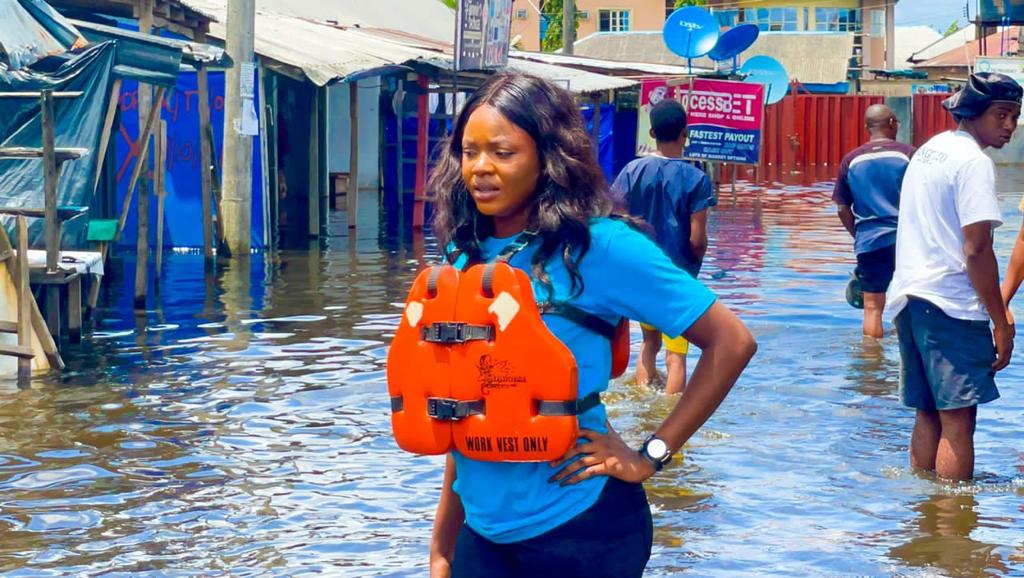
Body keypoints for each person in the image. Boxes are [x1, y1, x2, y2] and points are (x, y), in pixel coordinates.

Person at [423, 72, 756, 577]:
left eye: (503, 152)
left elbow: (731, 342)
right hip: (483, 535)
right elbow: (473, 407)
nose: (481, 169)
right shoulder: (463, 254)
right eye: (470, 152)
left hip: (583, 529)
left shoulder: (599, 247)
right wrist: (443, 547)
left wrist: (651, 454)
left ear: (547, 157)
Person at [886, 71, 1021, 481]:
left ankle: (925, 518)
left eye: (1015, 116)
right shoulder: (973, 162)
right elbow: (977, 249)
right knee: (959, 424)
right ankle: (952, 531)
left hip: (910, 297)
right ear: (973, 112)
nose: (1010, 126)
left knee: (929, 413)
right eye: (1001, 115)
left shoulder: (930, 151)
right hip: (950, 305)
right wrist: (1001, 320)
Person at [611, 99, 716, 394]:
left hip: (640, 275)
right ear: (686, 133)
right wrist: (693, 265)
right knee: (677, 356)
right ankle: (668, 418)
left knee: (649, 344)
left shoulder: (631, 171)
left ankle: (644, 399)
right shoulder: (697, 179)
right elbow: (697, 239)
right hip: (677, 279)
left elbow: (614, 222)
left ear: (652, 133)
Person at [833, 104, 915, 338]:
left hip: (870, 242)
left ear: (867, 127)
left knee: (872, 310)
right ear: (891, 123)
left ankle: (871, 367)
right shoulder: (909, 155)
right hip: (907, 243)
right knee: (910, 305)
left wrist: (859, 235)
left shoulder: (851, 160)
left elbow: (842, 208)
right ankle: (908, 363)